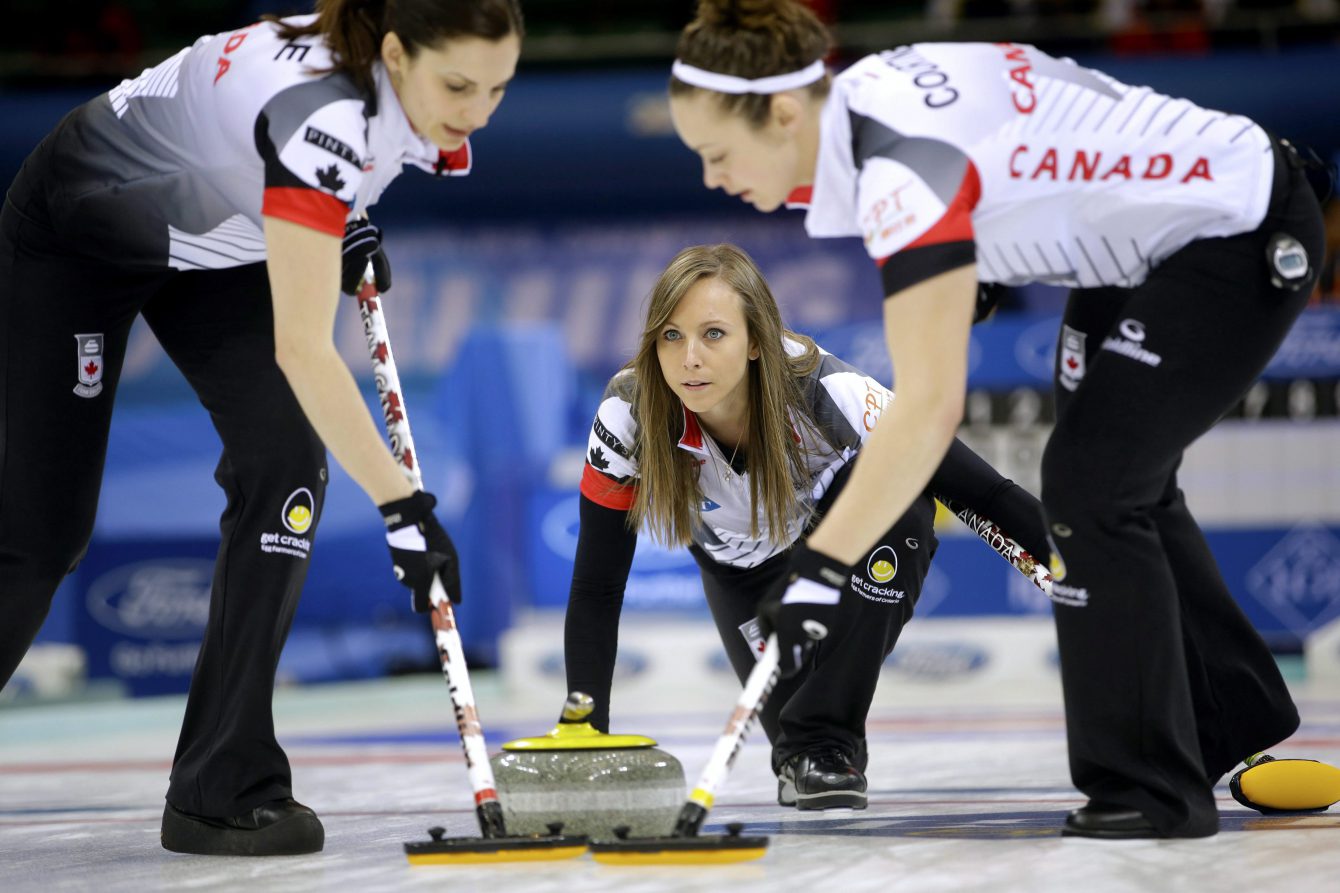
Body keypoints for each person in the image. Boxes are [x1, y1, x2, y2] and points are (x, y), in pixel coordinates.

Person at [666, 0, 1338, 839]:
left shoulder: (900, 172)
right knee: (1121, 480)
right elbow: (1041, 101)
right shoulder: (878, 89)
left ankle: (1149, 789)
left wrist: (819, 572)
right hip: (1152, 242)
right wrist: (984, 251)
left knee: (1092, 480)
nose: (711, 176)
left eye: (716, 152)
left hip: (1238, 229)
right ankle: (1225, 719)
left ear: (785, 112)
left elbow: (926, 414)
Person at [0, 0, 523, 856]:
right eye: (459, 84)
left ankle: (219, 784)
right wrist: (403, 508)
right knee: (39, 532)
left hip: (215, 238)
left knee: (285, 466)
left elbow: (292, 166)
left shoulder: (401, 97)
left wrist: (338, 220)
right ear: (393, 53)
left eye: (499, 87)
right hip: (82, 229)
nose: (476, 111)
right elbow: (305, 352)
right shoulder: (319, 110)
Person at [565, 242, 1049, 810]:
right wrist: (584, 728)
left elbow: (983, 492)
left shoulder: (828, 391)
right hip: (739, 572)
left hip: (834, 542)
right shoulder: (628, 415)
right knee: (801, 765)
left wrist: (1085, 564)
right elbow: (598, 586)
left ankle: (823, 739)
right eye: (671, 336)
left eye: (713, 333)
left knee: (905, 502)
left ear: (754, 341)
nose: (689, 357)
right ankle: (814, 748)